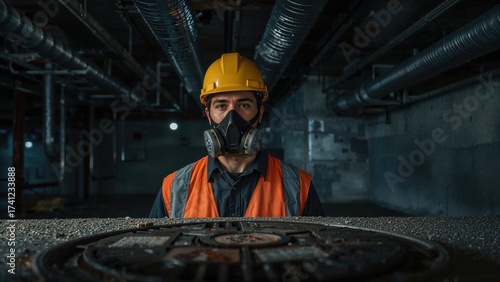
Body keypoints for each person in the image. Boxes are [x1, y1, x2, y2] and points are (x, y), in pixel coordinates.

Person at [149, 52, 324, 218]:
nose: (232, 118)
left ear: (260, 113)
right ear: (209, 115)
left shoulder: (299, 185)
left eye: (244, 105)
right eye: (221, 106)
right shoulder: (174, 187)